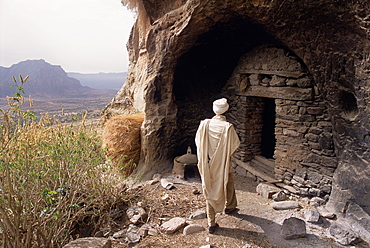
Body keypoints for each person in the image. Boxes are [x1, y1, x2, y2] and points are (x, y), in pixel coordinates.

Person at [195, 98, 240, 234]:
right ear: (226, 110)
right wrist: (222, 155)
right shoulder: (228, 128)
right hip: (223, 163)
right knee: (227, 181)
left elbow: (198, 142)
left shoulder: (204, 124)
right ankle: (227, 209)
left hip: (207, 163)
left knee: (209, 187)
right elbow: (234, 146)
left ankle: (212, 222)